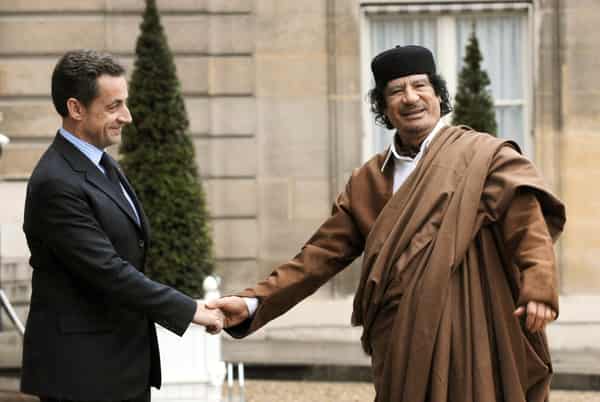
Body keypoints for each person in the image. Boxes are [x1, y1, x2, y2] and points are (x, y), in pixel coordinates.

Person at [208, 45, 566, 402]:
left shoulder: (483, 156)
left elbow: (527, 226)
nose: (410, 98)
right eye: (396, 91)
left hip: (473, 329)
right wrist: (253, 302)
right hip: (400, 339)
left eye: (420, 86)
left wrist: (539, 287)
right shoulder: (368, 181)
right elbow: (318, 256)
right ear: (383, 106)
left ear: (438, 95)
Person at [21, 49, 222, 402]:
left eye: (124, 104)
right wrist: (191, 310)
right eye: (113, 106)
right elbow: (108, 270)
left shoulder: (103, 163)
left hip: (120, 366)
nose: (126, 117)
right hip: (82, 376)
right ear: (76, 108)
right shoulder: (56, 181)